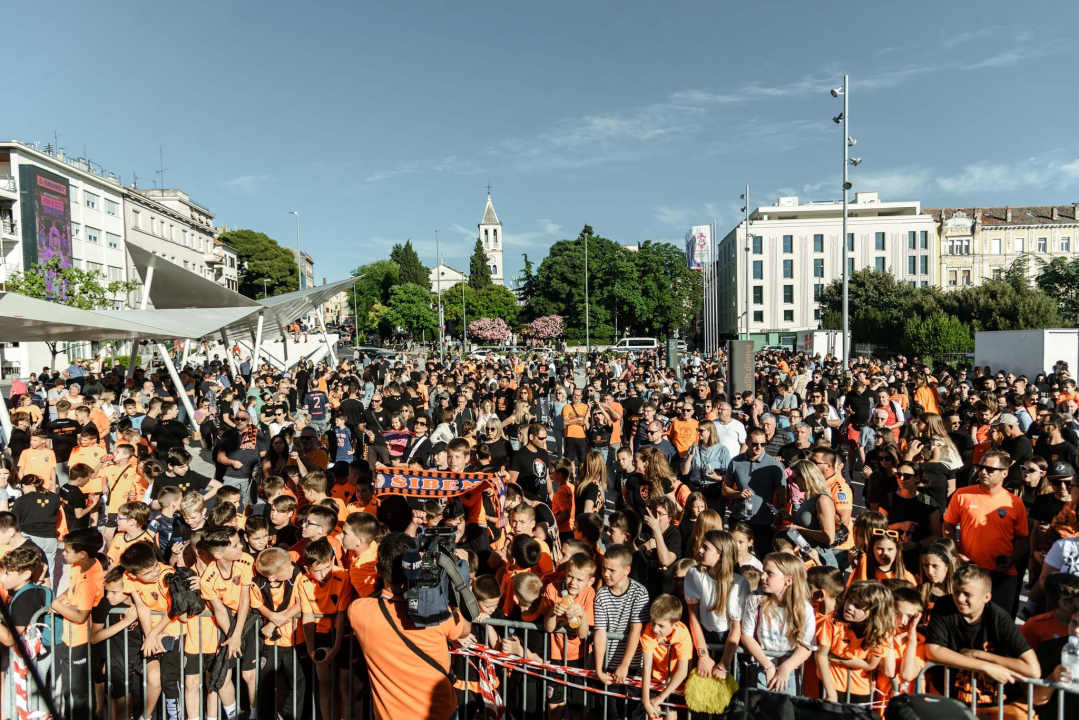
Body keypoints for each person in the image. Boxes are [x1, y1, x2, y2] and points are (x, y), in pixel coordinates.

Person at [348, 532, 469, 720]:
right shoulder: (437, 614)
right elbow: (465, 629)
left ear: (378, 569)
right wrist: (457, 582)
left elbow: (376, 596)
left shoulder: (358, 612)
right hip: (439, 712)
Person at [925, 564, 1040, 717]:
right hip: (952, 693)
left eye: (967, 594)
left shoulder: (999, 618)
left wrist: (980, 655)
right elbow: (933, 650)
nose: (960, 598)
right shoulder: (944, 606)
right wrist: (985, 666)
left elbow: (1033, 670)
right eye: (956, 591)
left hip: (998, 698)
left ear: (987, 597)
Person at [942, 449, 1029, 616]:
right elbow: (948, 527)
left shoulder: (1015, 503)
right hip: (969, 570)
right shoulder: (962, 494)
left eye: (990, 469)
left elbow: (1023, 539)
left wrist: (1011, 560)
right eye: (980, 467)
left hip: (1001, 575)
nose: (983, 472)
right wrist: (957, 554)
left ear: (1004, 473)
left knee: (999, 623)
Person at [723, 427, 786, 557]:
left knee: (764, 558)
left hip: (763, 523)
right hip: (739, 519)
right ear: (747, 442)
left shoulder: (774, 465)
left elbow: (782, 497)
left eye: (763, 444)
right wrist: (737, 494)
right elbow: (725, 488)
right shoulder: (736, 461)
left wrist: (775, 522)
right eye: (755, 444)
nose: (759, 447)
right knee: (734, 557)